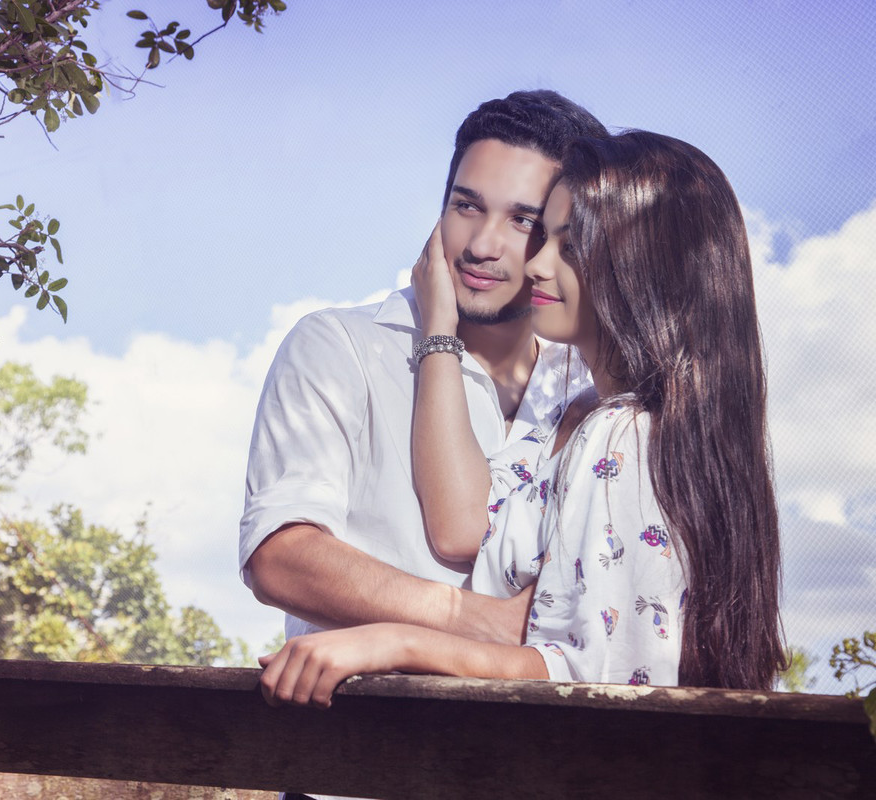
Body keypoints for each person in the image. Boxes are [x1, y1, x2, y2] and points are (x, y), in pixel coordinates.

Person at [257, 131, 787, 710]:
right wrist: (440, 333)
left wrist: (397, 641)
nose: (524, 258)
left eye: (544, 231)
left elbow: (592, 673)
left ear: (641, 264)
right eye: (466, 205)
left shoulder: (618, 426)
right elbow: (464, 528)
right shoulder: (583, 413)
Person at [239, 90, 608, 659]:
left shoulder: (591, 382)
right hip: (360, 731)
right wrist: (472, 619)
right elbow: (280, 559)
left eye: (522, 220)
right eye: (466, 206)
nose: (483, 245)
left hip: (546, 734)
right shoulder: (340, 346)